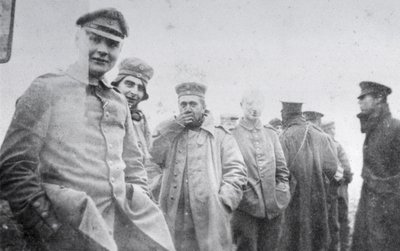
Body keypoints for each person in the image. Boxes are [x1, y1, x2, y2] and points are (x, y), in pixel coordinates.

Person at [0, 8, 174, 251]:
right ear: (78, 40)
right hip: (67, 229)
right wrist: (49, 229)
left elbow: (133, 166)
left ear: (119, 50)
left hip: (117, 231)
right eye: (94, 39)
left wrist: (137, 206)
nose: (103, 50)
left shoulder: (118, 101)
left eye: (112, 44)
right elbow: (14, 168)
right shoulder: (46, 89)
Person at [150, 82, 247, 251]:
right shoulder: (170, 133)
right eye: (183, 104)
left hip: (209, 217)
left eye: (193, 104)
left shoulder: (220, 136)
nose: (187, 109)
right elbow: (152, 159)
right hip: (174, 215)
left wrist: (223, 203)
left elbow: (236, 171)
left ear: (203, 107)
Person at [231, 91, 290, 251]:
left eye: (258, 104)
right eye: (250, 104)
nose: (254, 108)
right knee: (247, 247)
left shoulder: (271, 134)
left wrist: (282, 192)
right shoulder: (232, 135)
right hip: (245, 208)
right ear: (241, 106)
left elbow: (282, 171)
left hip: (273, 207)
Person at [278, 102, 339, 251]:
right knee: (315, 242)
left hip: (293, 202)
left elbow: (278, 171)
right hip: (318, 201)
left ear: (285, 114)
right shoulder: (321, 135)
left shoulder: (284, 136)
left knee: (293, 241)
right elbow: (332, 168)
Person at [352, 81, 400, 251]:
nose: (360, 101)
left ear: (379, 98)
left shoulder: (395, 127)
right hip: (370, 207)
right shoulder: (372, 128)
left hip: (390, 211)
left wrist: (377, 184)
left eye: (364, 97)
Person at [111, 57, 162, 200]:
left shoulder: (140, 119)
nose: (134, 92)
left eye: (140, 88)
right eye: (129, 84)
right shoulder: (104, 112)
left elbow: (147, 158)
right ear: (117, 84)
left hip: (138, 190)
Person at [303, 110, 343, 251]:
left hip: (306, 198)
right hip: (324, 196)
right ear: (319, 121)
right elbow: (336, 172)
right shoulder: (326, 139)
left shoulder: (299, 138)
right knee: (325, 232)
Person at [322, 121, 353, 251]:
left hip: (334, 191)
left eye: (333, 128)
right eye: (330, 129)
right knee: (340, 222)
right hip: (338, 191)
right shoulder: (335, 146)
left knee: (337, 222)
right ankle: (343, 247)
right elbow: (347, 171)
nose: (332, 131)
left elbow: (346, 170)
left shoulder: (329, 146)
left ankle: (343, 247)